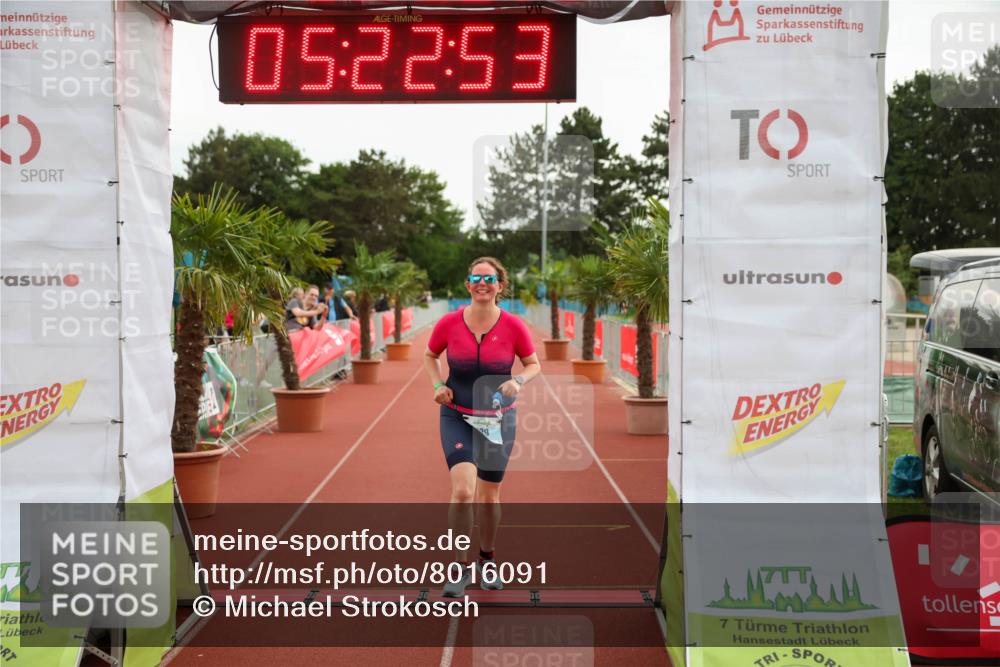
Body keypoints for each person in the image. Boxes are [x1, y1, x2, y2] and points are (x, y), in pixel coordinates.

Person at [424, 257, 541, 597]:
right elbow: (430, 356)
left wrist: (517, 381)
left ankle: (487, 558)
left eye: (489, 278)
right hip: (456, 415)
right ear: (468, 284)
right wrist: (437, 387)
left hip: (497, 420)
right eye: (476, 277)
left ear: (499, 286)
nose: (482, 283)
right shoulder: (449, 323)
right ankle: (459, 568)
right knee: (462, 491)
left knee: (489, 497)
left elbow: (533, 364)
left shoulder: (514, 326)